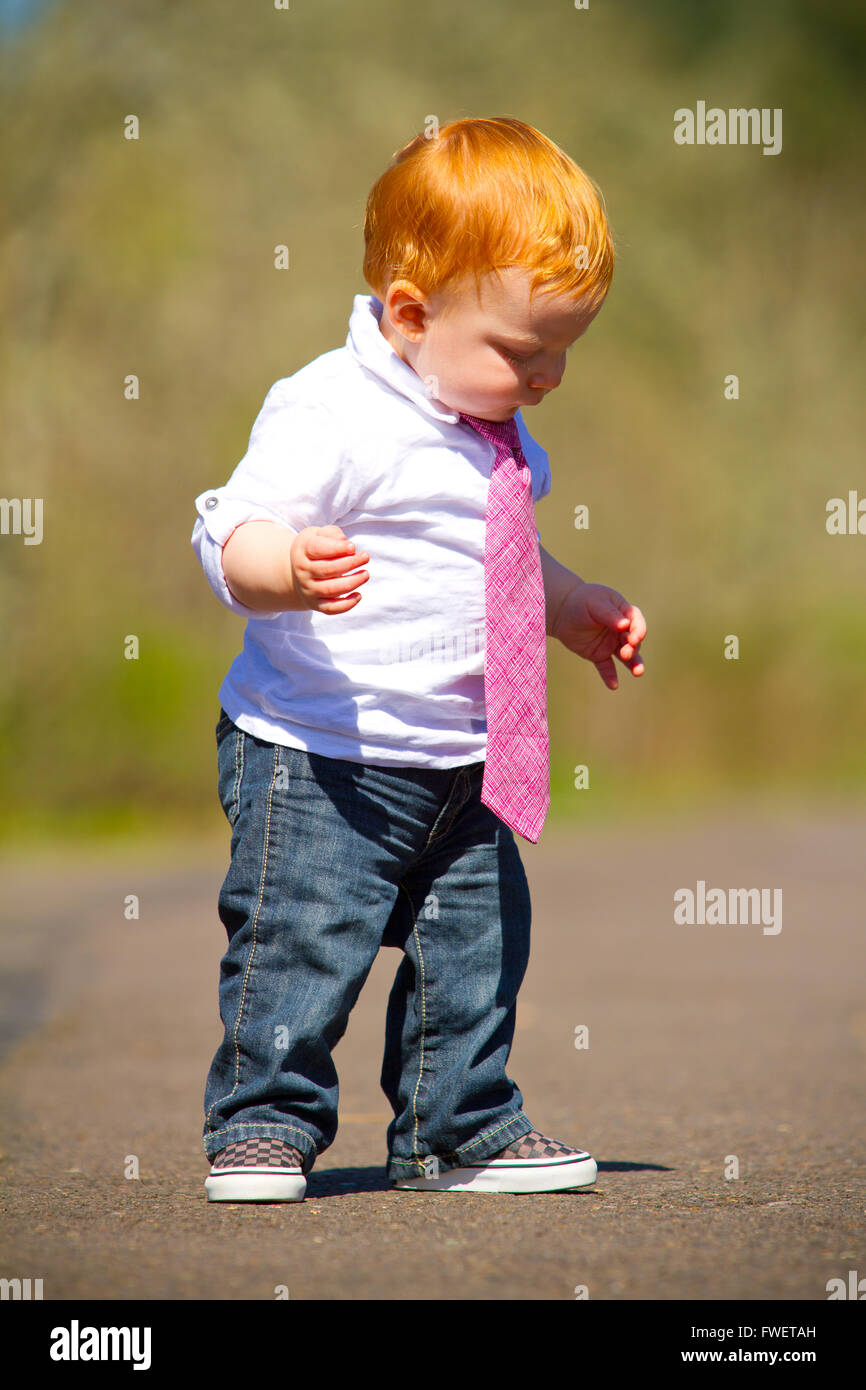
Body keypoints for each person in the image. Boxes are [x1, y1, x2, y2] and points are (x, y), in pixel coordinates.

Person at [190, 115, 646, 1202]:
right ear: (409, 312)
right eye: (521, 351)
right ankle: (262, 1124)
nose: (546, 377)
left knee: (476, 954)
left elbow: (497, 552)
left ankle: (457, 1126)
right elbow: (226, 528)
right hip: (320, 758)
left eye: (562, 351)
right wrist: (283, 567)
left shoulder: (493, 433)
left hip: (463, 760)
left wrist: (571, 602)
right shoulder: (331, 411)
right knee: (300, 947)